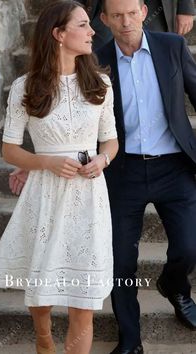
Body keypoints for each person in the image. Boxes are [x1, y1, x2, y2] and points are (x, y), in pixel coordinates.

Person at [0, 1, 118, 354]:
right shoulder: (25, 87)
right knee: (41, 283)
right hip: (45, 193)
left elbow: (111, 139)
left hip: (90, 196)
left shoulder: (101, 83)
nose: (93, 32)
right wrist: (43, 162)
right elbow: (10, 150)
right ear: (59, 34)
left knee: (84, 299)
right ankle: (44, 341)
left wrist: (103, 159)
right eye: (83, 25)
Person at [98, 0, 196, 353]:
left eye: (131, 13)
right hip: (122, 171)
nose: (126, 22)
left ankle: (175, 286)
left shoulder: (172, 46)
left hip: (174, 166)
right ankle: (130, 339)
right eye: (117, 16)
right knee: (121, 259)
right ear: (104, 19)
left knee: (189, 246)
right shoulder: (95, 60)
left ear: (143, 10)